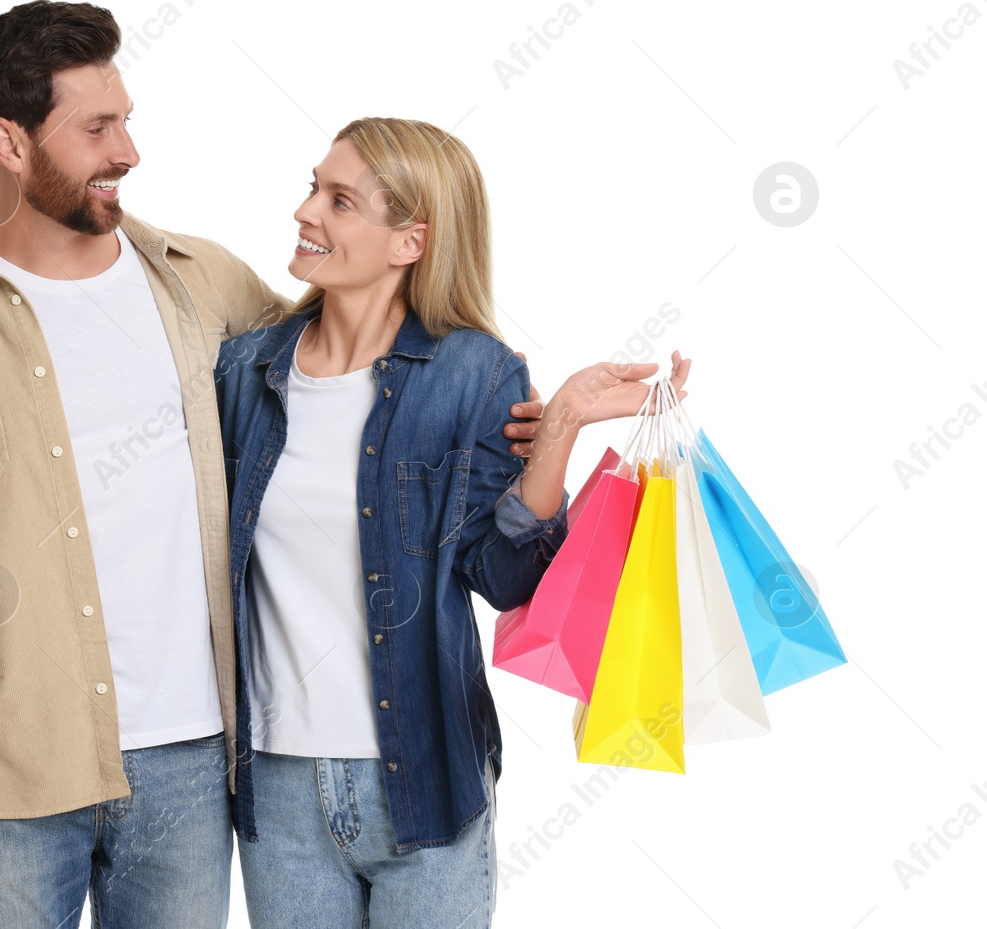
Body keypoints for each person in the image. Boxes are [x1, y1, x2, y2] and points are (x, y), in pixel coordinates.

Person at [0, 1, 551, 928]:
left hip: (195, 767)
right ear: (10, 144)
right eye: (98, 128)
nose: (128, 150)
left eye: (127, 120)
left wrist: (507, 425)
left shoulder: (205, 283)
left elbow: (348, 371)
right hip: (13, 768)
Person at [213, 117, 690, 928]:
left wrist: (563, 424)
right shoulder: (246, 368)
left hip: (426, 777)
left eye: (339, 200)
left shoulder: (475, 370)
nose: (305, 212)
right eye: (311, 186)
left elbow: (504, 579)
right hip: (277, 785)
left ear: (411, 240)